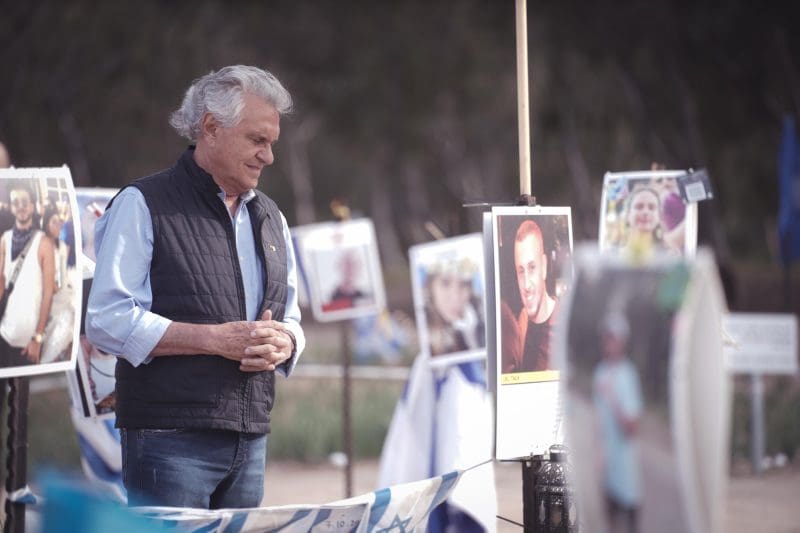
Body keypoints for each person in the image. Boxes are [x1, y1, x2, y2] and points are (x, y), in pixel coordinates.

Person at [86, 65, 305, 509]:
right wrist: (213, 340)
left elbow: (292, 318)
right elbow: (106, 321)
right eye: (257, 140)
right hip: (168, 442)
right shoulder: (141, 204)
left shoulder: (273, 218)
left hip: (251, 440)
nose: (269, 156)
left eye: (271, 143)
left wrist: (285, 342)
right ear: (210, 128)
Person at [592, 312, 643, 533]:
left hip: (626, 471)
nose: (609, 342)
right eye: (606, 336)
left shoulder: (628, 375)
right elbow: (597, 424)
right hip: (607, 470)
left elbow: (632, 428)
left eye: (613, 337)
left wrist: (613, 398)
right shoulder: (599, 373)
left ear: (622, 341)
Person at [0, 181, 56, 366]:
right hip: (4, 333)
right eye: (16, 202)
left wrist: (38, 338)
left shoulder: (44, 243)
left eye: (25, 202)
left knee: (20, 394)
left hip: (28, 342)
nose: (21, 206)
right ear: (12, 207)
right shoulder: (5, 240)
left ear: (32, 206)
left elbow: (48, 294)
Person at [502, 219, 558, 373]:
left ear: (544, 267)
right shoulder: (521, 325)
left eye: (532, 268)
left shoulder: (564, 324)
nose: (526, 285)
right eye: (521, 271)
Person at [423, 256, 484, 357]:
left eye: (464, 284)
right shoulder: (423, 339)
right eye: (445, 283)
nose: (456, 297)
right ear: (430, 288)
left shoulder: (478, 326)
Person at [622, 186, 663, 255]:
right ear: (628, 215)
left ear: (659, 216)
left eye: (651, 207)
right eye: (639, 206)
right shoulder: (611, 256)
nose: (645, 212)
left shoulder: (669, 256)